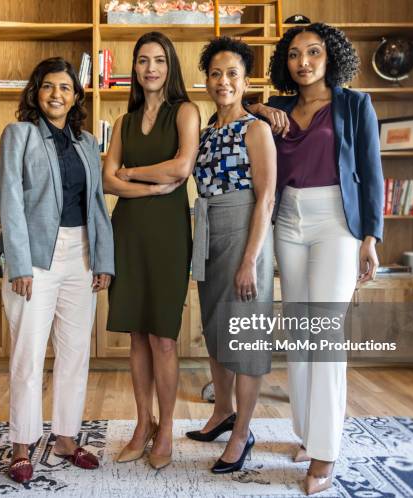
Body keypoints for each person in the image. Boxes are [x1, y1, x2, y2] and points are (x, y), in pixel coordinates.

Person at [248, 23, 384, 495]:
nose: (303, 61)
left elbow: (371, 171)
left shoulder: (354, 104)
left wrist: (371, 236)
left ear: (331, 58)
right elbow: (239, 107)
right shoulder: (279, 107)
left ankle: (325, 453)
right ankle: (307, 435)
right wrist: (260, 106)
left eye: (313, 52)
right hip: (287, 219)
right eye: (293, 54)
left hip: (336, 224)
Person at [0, 57, 114, 483]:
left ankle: (66, 438)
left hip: (80, 255)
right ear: (36, 91)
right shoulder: (20, 134)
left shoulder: (85, 142)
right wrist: (18, 262)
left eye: (65, 88)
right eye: (48, 86)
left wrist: (103, 259)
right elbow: (9, 198)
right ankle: (21, 445)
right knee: (28, 354)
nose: (56, 95)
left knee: (74, 354)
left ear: (76, 95)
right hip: (35, 258)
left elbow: (97, 204)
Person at [102, 31, 200, 470]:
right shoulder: (124, 122)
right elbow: (107, 180)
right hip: (128, 230)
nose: (150, 68)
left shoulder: (186, 111)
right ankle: (142, 425)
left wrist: (133, 173)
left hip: (168, 235)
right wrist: (149, 188)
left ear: (170, 65)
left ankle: (166, 430)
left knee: (162, 336)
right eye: (142, 61)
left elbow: (182, 166)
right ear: (134, 69)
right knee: (136, 335)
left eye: (158, 60)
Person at [185, 37, 277, 474]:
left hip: (244, 231)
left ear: (246, 81)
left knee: (247, 333)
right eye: (216, 73)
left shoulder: (255, 128)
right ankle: (222, 412)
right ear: (207, 80)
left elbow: (266, 198)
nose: (223, 81)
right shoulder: (206, 133)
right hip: (207, 229)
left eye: (233, 74)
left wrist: (250, 260)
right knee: (216, 328)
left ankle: (243, 433)